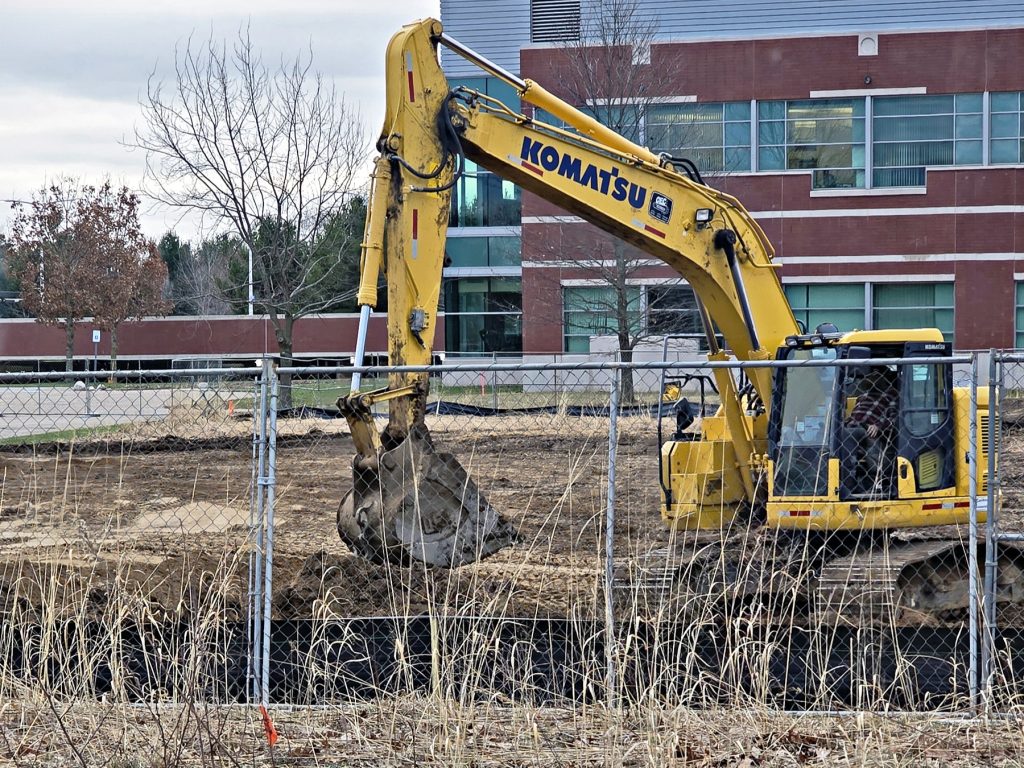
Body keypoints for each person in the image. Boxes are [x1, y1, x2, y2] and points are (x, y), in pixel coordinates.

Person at [845, 366, 899, 491]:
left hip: (871, 430)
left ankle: (870, 482)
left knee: (868, 441)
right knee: (844, 436)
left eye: (876, 375)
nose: (872, 378)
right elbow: (853, 415)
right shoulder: (862, 395)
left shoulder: (891, 394)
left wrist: (878, 426)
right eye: (870, 375)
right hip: (853, 426)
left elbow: (894, 418)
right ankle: (848, 479)